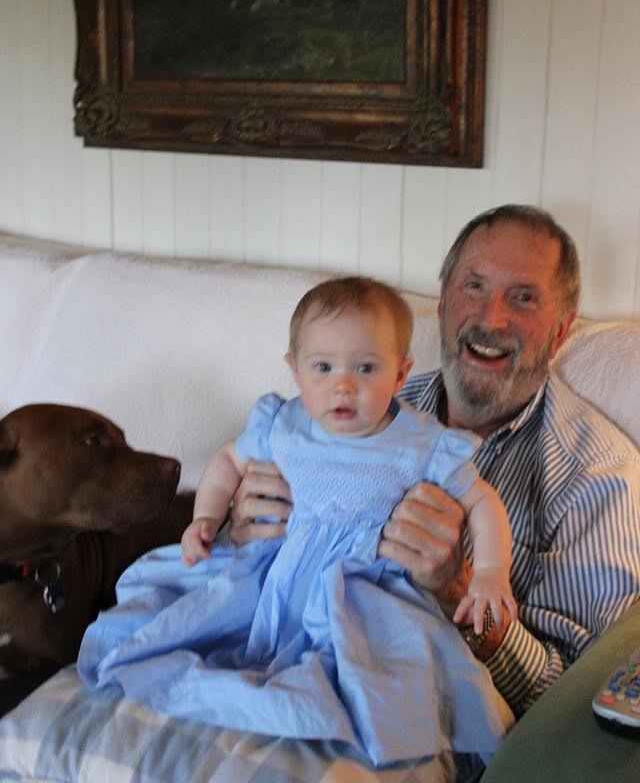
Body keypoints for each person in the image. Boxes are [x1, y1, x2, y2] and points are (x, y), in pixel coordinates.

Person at [79, 277, 516, 767]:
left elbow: (482, 502)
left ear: (400, 375)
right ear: (295, 370)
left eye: (366, 368)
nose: (343, 385)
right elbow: (228, 459)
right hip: (277, 569)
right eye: (323, 367)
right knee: (188, 619)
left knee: (376, 677)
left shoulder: (421, 442)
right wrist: (206, 517)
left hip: (362, 590)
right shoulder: (284, 424)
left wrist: (489, 572)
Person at [230, 205, 640, 719]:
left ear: (560, 332)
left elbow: (574, 703)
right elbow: (246, 555)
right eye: (474, 286)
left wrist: (459, 593)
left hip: (422, 716)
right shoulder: (351, 407)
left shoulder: (598, 477)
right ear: (443, 305)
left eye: (523, 297)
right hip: (286, 664)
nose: (490, 318)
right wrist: (243, 530)